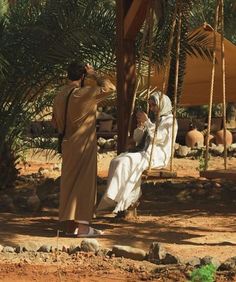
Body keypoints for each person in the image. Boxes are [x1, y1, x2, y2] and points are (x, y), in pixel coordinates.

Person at [52, 61, 115, 237]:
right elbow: (110, 88)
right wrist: (94, 74)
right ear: (82, 76)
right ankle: (84, 228)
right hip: (83, 144)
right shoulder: (84, 94)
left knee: (69, 183)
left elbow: (54, 122)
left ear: (67, 75)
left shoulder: (59, 96)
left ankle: (69, 226)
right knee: (84, 184)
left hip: (66, 143)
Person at [97, 91, 178, 215]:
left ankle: (121, 200)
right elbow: (137, 138)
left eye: (153, 105)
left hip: (157, 155)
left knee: (125, 161)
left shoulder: (170, 121)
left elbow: (159, 138)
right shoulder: (153, 120)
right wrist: (141, 126)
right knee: (116, 160)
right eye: (150, 105)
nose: (151, 108)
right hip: (144, 151)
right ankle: (112, 198)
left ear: (162, 105)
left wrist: (147, 123)